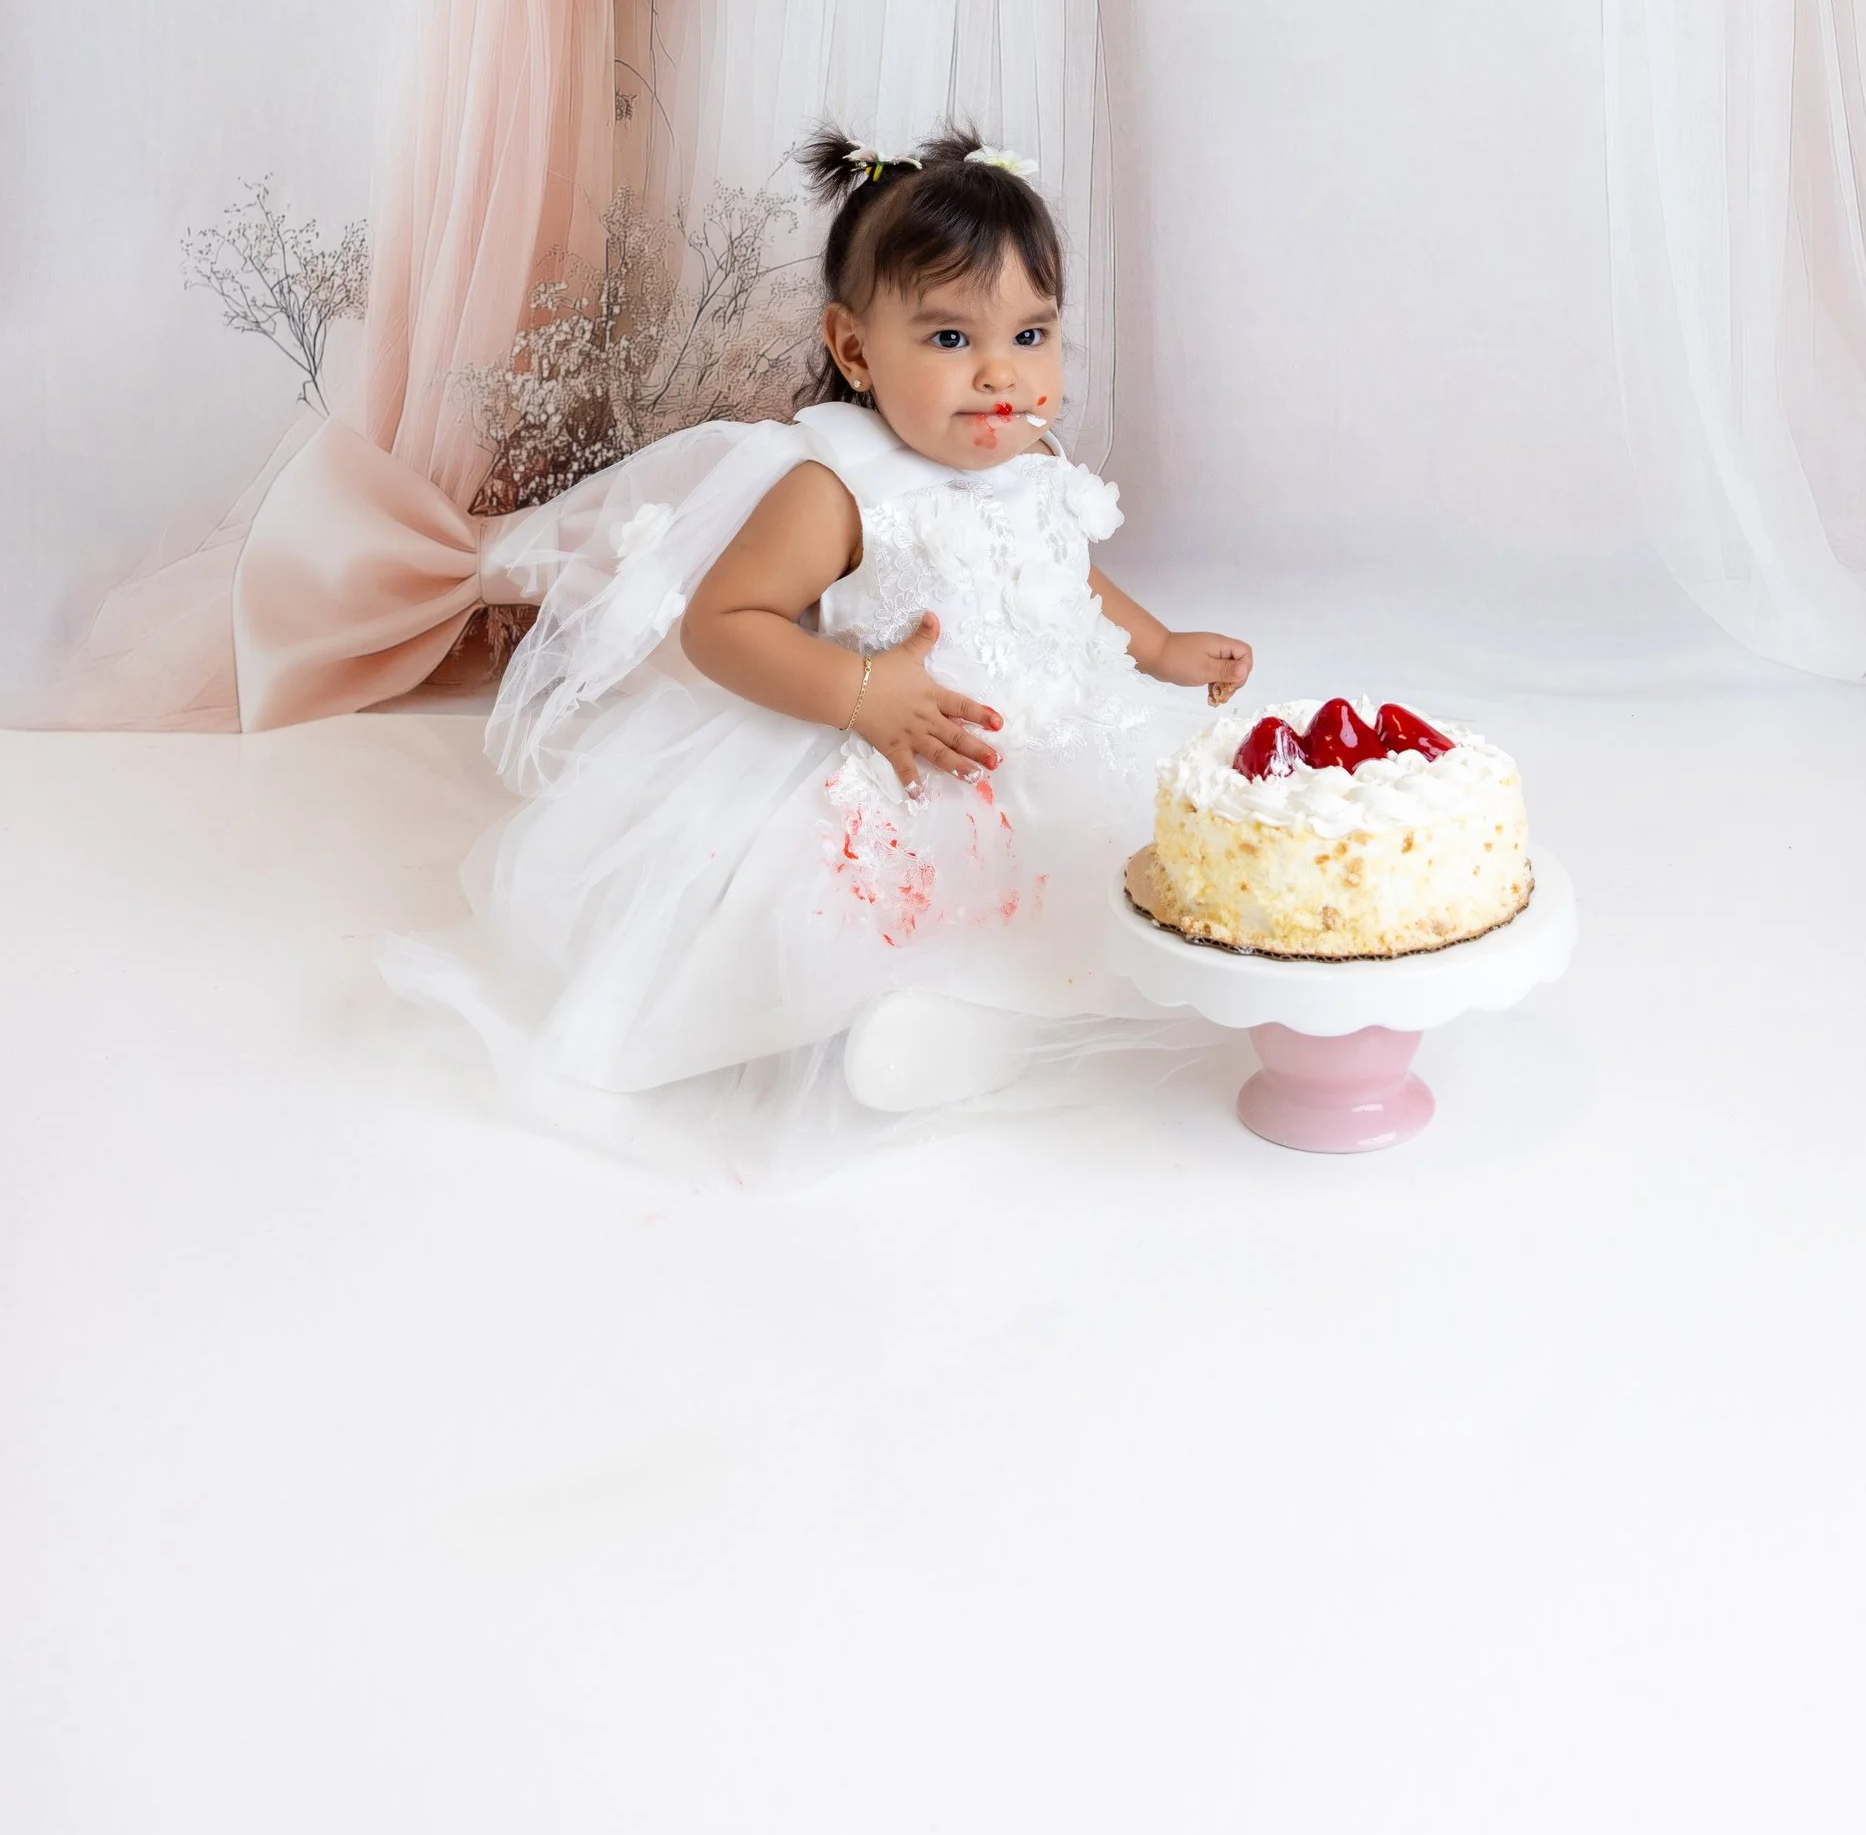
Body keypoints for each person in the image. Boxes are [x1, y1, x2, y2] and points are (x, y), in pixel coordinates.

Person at [381, 132, 1251, 1141]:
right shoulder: (837, 484)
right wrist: (859, 691)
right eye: (950, 339)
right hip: (909, 767)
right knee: (878, 908)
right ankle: (923, 1014)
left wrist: (1158, 646)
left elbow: (1062, 576)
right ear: (853, 348)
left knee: (1119, 872)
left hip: (1049, 744)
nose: (999, 375)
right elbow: (723, 624)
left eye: (1031, 334)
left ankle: (1013, 1005)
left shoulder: (1035, 461)